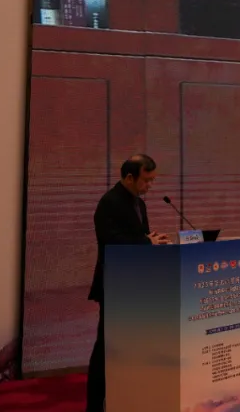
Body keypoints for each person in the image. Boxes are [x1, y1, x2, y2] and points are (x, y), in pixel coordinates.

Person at [86, 154, 170, 412]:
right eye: (147, 180)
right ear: (130, 177)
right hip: (115, 284)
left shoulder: (139, 204)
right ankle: (95, 405)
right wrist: (145, 242)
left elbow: (137, 236)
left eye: (153, 180)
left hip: (136, 284)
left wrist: (152, 239)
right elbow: (110, 241)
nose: (150, 185)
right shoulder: (109, 202)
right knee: (107, 347)